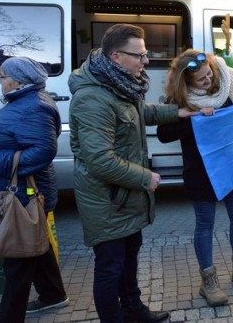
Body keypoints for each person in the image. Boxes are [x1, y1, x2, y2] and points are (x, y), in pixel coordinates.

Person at [69, 24, 197, 323]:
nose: (146, 61)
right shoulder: (93, 98)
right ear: (116, 56)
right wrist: (145, 177)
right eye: (139, 55)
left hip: (125, 199)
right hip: (108, 201)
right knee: (110, 267)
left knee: (128, 259)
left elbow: (139, 112)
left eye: (146, 54)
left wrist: (176, 112)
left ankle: (133, 309)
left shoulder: (120, 84)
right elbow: (99, 160)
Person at [157, 50, 233, 307]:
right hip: (201, 172)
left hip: (232, 167)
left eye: (209, 74)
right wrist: (194, 118)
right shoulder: (177, 99)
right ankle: (208, 280)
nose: (208, 81)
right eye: (201, 80)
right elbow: (164, 133)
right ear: (186, 82)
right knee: (205, 225)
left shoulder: (229, 85)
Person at [0, 57, 68, 323]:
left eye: (1, 76)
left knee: (18, 255)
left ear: (18, 80)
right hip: (24, 189)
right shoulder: (27, 101)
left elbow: (44, 151)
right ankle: (53, 294)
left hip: (24, 191)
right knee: (35, 240)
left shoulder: (33, 106)